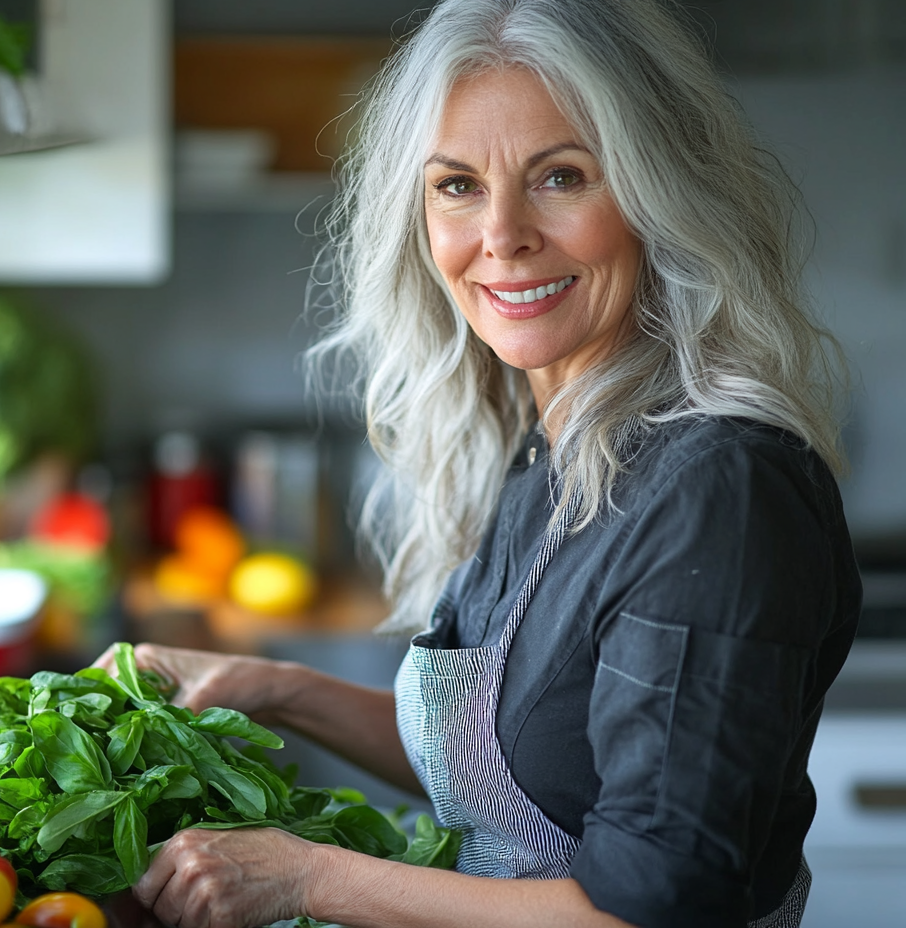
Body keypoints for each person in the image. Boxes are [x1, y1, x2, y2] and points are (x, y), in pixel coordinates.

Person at [95, 1, 862, 925]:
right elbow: (526, 765)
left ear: (662, 192)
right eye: (457, 185)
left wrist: (307, 878)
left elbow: (649, 908)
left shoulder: (718, 492)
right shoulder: (548, 441)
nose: (501, 234)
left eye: (561, 176)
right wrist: (272, 690)